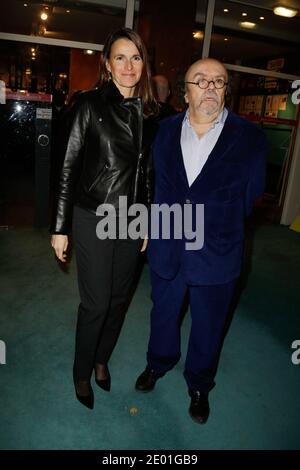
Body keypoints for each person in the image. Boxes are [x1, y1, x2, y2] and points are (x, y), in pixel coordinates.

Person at [135, 58, 266, 424]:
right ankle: (157, 364)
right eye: (201, 80)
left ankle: (199, 385)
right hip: (168, 244)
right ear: (185, 90)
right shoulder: (161, 130)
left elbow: (251, 194)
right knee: (163, 314)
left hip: (219, 251)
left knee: (209, 324)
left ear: (227, 90)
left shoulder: (251, 136)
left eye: (219, 81)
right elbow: (151, 183)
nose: (210, 87)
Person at [50, 28, 158, 410]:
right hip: (94, 214)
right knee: (95, 303)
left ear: (144, 64)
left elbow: (147, 174)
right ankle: (81, 370)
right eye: (120, 57)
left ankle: (101, 359)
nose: (129, 66)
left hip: (130, 220)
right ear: (107, 64)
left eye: (136, 57)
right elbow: (67, 167)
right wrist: (60, 226)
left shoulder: (150, 112)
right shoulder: (88, 105)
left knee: (117, 300)